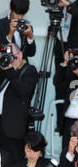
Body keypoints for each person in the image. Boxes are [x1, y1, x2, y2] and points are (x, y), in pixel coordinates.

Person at [0, 42, 38, 167]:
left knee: (13, 163)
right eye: (6, 56)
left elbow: (23, 91)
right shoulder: (2, 69)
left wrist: (9, 69)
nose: (9, 60)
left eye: (12, 56)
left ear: (20, 55)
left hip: (12, 127)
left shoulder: (29, 71)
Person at [54, 1, 78, 132]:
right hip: (60, 44)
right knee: (60, 83)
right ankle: (61, 124)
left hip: (75, 47)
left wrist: (68, 5)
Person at [53, 49, 78, 150]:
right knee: (66, 155)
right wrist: (65, 63)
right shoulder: (72, 78)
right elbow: (57, 82)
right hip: (69, 122)